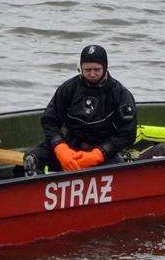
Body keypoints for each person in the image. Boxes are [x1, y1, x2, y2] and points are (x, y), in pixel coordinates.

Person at [23, 44, 137, 176]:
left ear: (105, 67)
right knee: (32, 158)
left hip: (104, 150)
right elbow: (49, 120)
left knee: (116, 171)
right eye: (87, 69)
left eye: (97, 69)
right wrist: (60, 147)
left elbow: (127, 134)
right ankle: (38, 193)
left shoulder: (120, 94)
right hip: (70, 146)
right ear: (80, 67)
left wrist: (99, 154)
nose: (92, 74)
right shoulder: (69, 88)